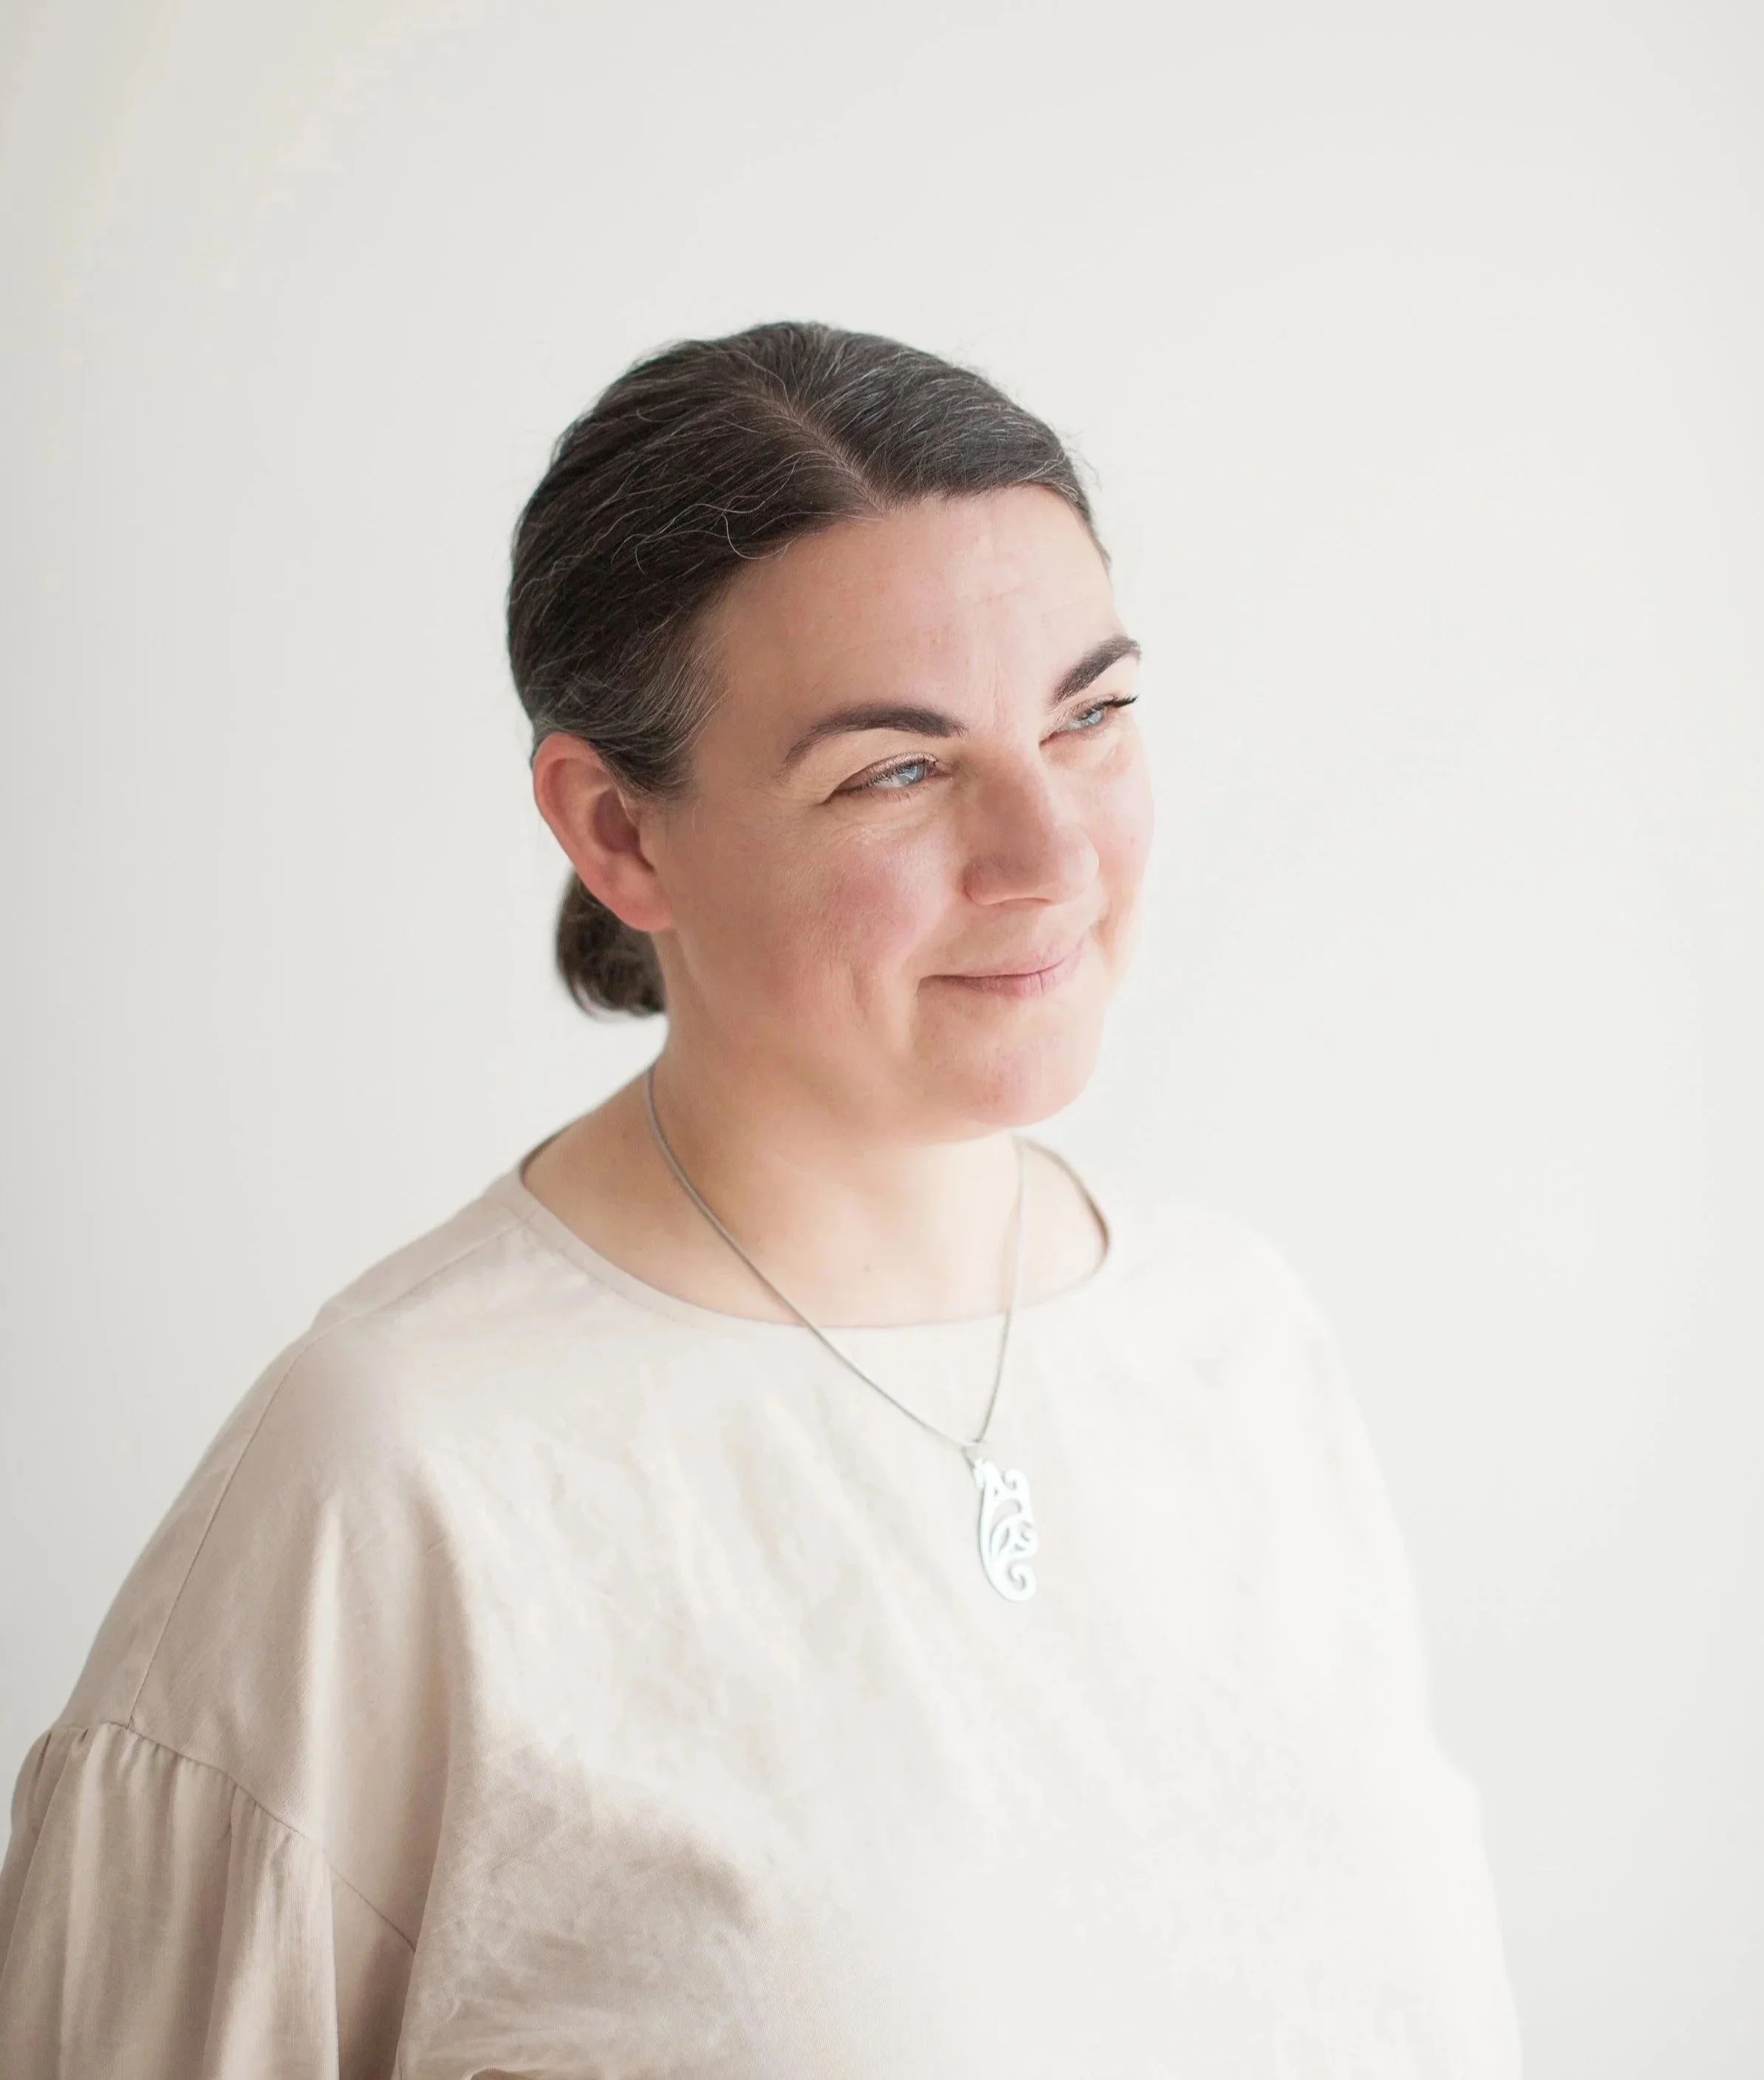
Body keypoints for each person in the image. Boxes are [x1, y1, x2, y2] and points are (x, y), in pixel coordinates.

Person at [0, 321, 1522, 2076]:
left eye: (1087, 715)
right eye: (896, 768)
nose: (1050, 856)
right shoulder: (401, 1476)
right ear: (618, 834)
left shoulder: (1236, 1342)